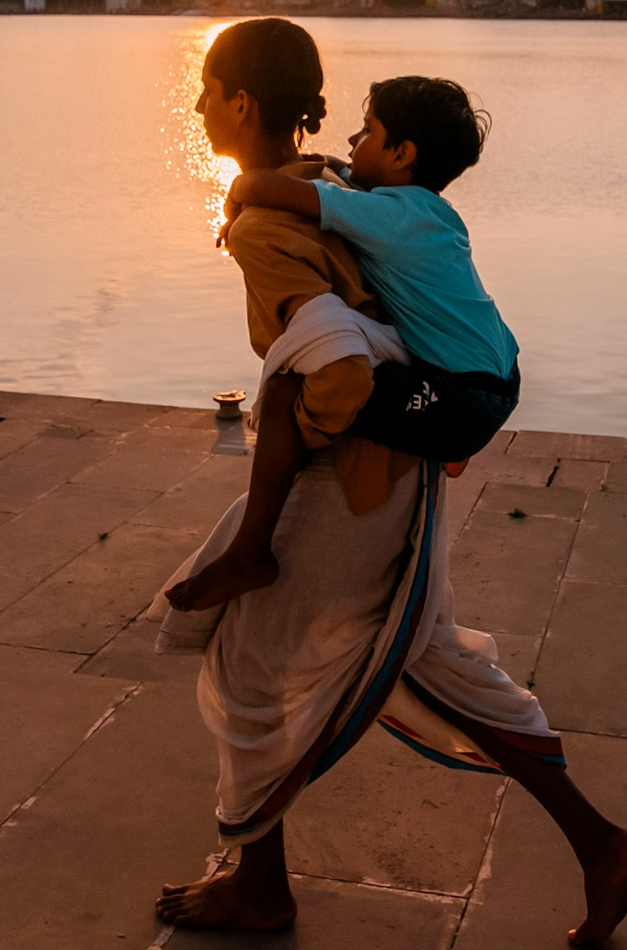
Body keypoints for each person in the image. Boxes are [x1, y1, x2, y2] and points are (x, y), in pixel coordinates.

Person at [154, 18, 627, 947]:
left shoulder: (268, 220)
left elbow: (334, 364)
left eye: (208, 90)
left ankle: (261, 888)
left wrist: (300, 423)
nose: (197, 105)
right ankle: (599, 842)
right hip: (408, 459)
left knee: (252, 672)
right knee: (428, 659)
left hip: (355, 483)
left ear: (244, 104)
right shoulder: (327, 189)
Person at [167, 73, 517, 611]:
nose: (353, 143)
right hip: (497, 371)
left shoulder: (387, 214)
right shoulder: (421, 210)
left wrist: (235, 194)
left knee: (285, 394)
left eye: (367, 131)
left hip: (462, 394)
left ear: (402, 154)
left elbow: (274, 188)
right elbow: (338, 173)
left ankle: (251, 553)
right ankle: (450, 442)